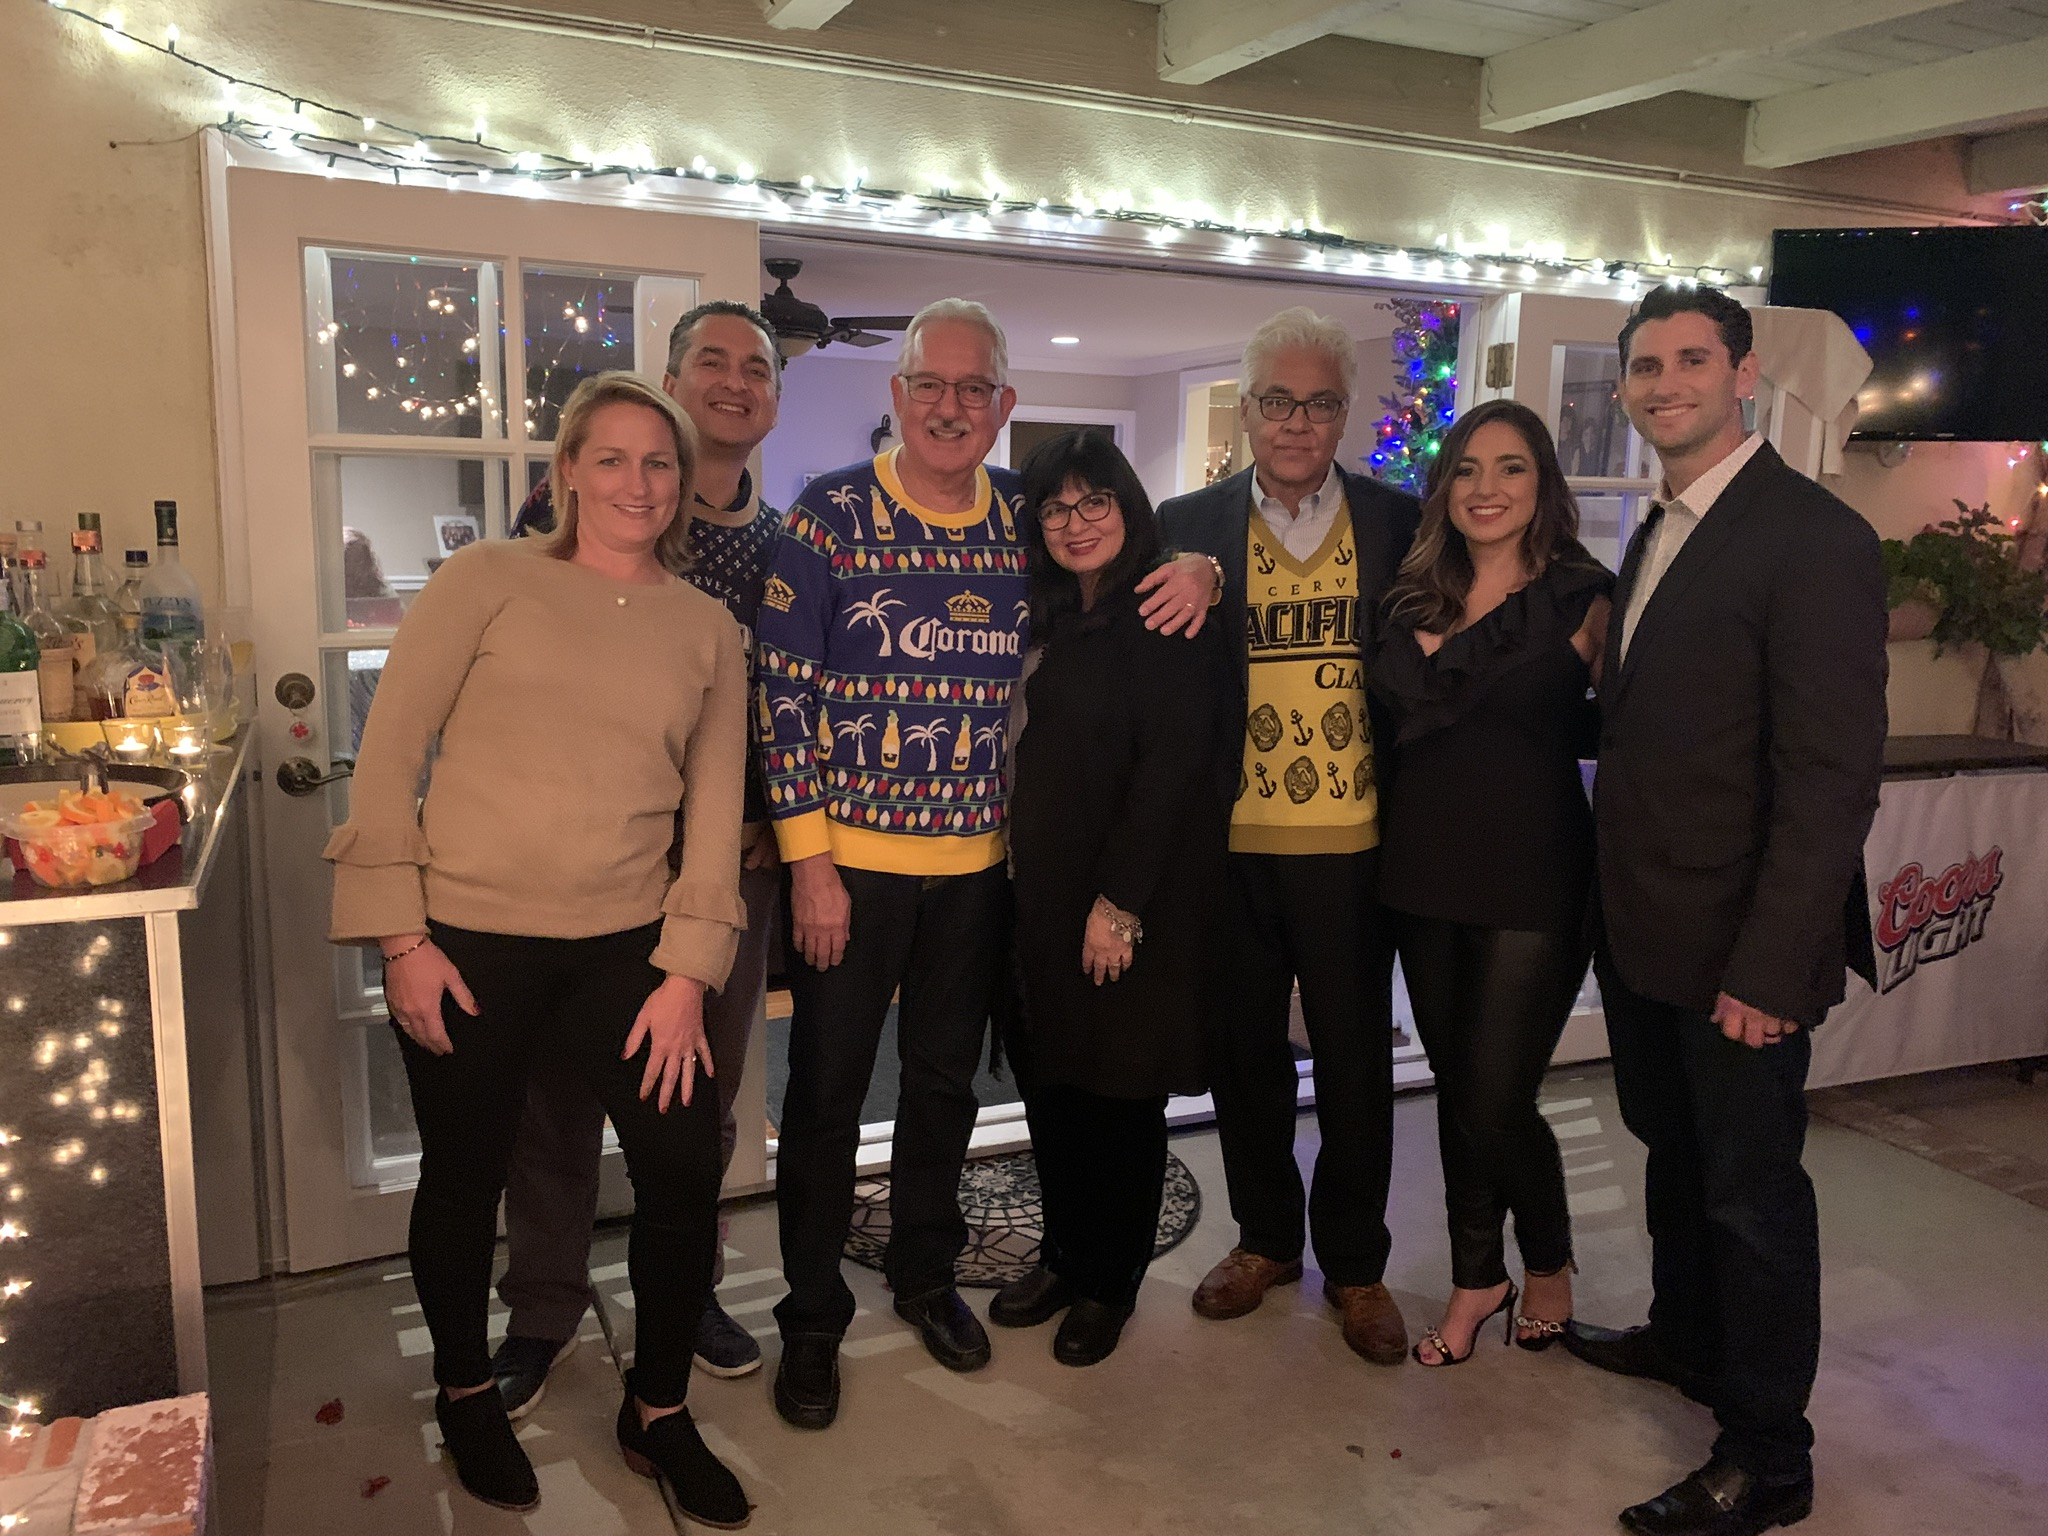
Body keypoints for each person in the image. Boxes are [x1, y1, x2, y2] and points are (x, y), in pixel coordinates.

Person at [755, 299, 1220, 1429]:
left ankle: (924, 1273)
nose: (951, 407)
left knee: (942, 1089)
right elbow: (783, 697)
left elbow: (1117, 556)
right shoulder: (828, 517)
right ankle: (810, 1314)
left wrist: (1201, 565)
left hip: (977, 873)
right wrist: (809, 866)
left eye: (974, 388)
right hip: (848, 873)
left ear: (1003, 404)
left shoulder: (1022, 516)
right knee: (823, 1097)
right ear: (898, 394)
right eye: (930, 384)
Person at [325, 371, 751, 1525]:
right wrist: (400, 940)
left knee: (680, 1168)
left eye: (657, 463)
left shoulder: (707, 628)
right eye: (609, 458)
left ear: (682, 483)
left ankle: (657, 1410)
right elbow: (387, 756)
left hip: (629, 951)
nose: (636, 482)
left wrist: (687, 972)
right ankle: (466, 1393)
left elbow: (713, 816)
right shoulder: (484, 581)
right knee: (465, 1177)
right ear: (566, 471)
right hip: (465, 942)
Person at [1563, 284, 1887, 1536]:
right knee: (1673, 1154)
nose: (1664, 385)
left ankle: (1767, 1453)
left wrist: (1768, 966)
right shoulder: (1657, 527)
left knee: (1751, 1196)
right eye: (1645, 367)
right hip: (1646, 928)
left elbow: (1828, 778)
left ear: (1741, 376)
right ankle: (1686, 1341)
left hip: (1742, 948)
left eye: (1690, 361)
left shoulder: (1812, 537)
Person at [490, 300, 786, 1412]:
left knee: (698, 1102)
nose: (733, 381)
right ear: (670, 381)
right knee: (555, 1102)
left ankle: (685, 1286)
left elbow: (793, 706)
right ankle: (542, 1307)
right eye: (710, 361)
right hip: (584, 864)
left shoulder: (786, 544)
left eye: (756, 367)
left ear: (773, 399)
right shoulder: (571, 516)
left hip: (727, 871)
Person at [1156, 307, 1421, 1366]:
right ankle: (1264, 1239)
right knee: (1244, 1057)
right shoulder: (1186, 525)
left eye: (1318, 403)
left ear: (1343, 414)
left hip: (1356, 844)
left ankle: (1355, 1263)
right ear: (1247, 409)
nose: (1296, 422)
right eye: (1277, 401)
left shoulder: (1401, 523)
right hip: (1229, 846)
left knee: (1356, 1063)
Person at [1368, 399, 1612, 1367]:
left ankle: (1545, 1261)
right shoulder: (1406, 596)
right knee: (1455, 1087)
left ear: (1541, 483)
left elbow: (1648, 734)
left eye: (1510, 467)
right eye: (1466, 469)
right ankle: (1478, 1277)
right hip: (1420, 872)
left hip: (1535, 877)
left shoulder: (1586, 598)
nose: (1485, 488)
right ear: (1442, 488)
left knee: (1494, 1099)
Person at [991, 431, 1232, 1367]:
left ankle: (1110, 1283)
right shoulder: (1050, 614)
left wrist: (1119, 904)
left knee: (1118, 1100)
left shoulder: (1165, 612)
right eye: (1056, 507)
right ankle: (1064, 1254)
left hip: (1125, 906)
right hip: (1039, 897)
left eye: (1094, 501)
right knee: (1055, 1090)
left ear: (1129, 507)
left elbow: (1175, 771)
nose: (1075, 522)